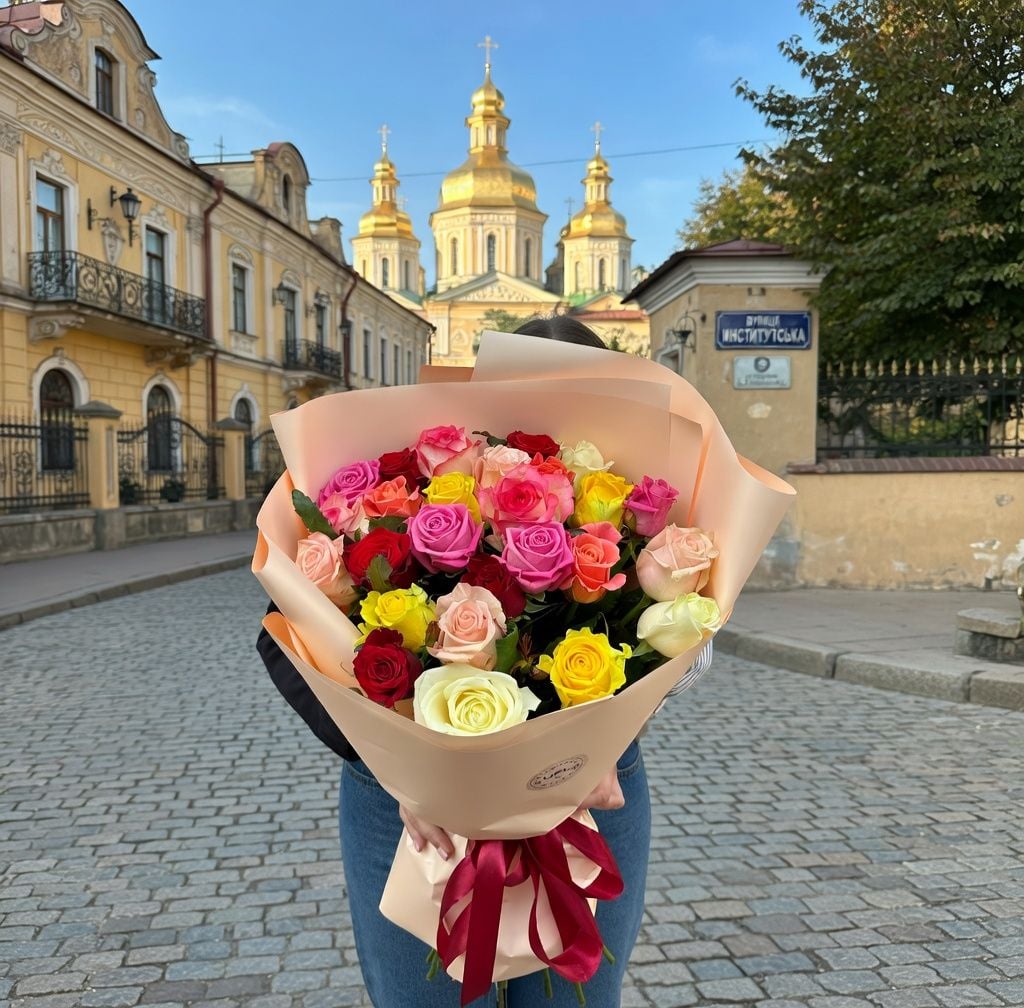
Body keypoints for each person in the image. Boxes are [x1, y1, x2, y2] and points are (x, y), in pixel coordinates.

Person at [257, 315, 712, 1007]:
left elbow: (686, 641)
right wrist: (404, 767)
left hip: (590, 793)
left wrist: (599, 743)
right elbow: (287, 638)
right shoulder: (419, 479)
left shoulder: (631, 497)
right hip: (407, 805)